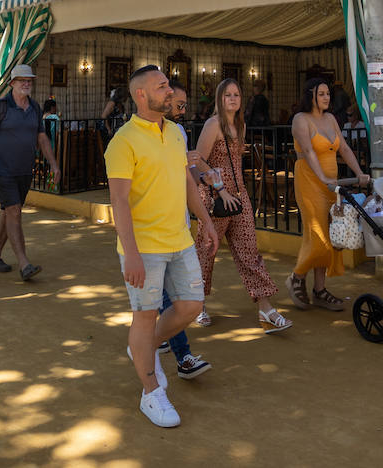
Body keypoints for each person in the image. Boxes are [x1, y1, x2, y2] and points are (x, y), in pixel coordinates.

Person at [106, 66, 218, 428]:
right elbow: (119, 202)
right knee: (145, 315)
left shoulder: (175, 132)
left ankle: (142, 348)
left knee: (191, 306)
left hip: (179, 239)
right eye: (163, 86)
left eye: (168, 85)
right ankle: (151, 392)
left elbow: (185, 180)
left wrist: (206, 219)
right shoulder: (122, 142)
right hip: (144, 246)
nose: (170, 92)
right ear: (141, 95)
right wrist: (132, 252)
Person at [193, 78, 291, 334]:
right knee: (206, 250)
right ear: (220, 99)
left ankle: (265, 307)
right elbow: (196, 160)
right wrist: (220, 188)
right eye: (228, 95)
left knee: (249, 249)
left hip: (239, 195)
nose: (233, 99)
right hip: (215, 197)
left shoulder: (240, 124)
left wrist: (234, 190)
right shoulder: (213, 124)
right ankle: (197, 303)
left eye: (236, 94)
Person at [288, 77, 371, 311]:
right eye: (321, 93)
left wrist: (359, 172)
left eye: (327, 94)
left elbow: (343, 148)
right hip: (309, 180)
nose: (326, 97)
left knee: (331, 234)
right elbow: (308, 151)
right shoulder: (300, 120)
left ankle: (319, 290)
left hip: (331, 185)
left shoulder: (331, 119)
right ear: (310, 95)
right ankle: (297, 276)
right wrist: (322, 178)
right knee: (318, 236)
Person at [0, 65, 60, 280]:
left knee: (8, 212)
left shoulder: (34, 107)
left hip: (24, 170)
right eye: (21, 80)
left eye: (29, 80)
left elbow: (42, 138)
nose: (26, 83)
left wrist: (53, 164)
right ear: (12, 83)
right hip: (3, 169)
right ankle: (24, 263)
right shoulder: (0, 107)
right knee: (14, 211)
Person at [158, 83, 211, 379]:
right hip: (154, 228)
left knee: (175, 294)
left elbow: (188, 176)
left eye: (184, 106)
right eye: (178, 105)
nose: (182, 111)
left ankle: (158, 336)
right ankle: (183, 356)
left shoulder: (178, 132)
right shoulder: (137, 135)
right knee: (171, 295)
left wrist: (205, 176)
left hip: (179, 223)